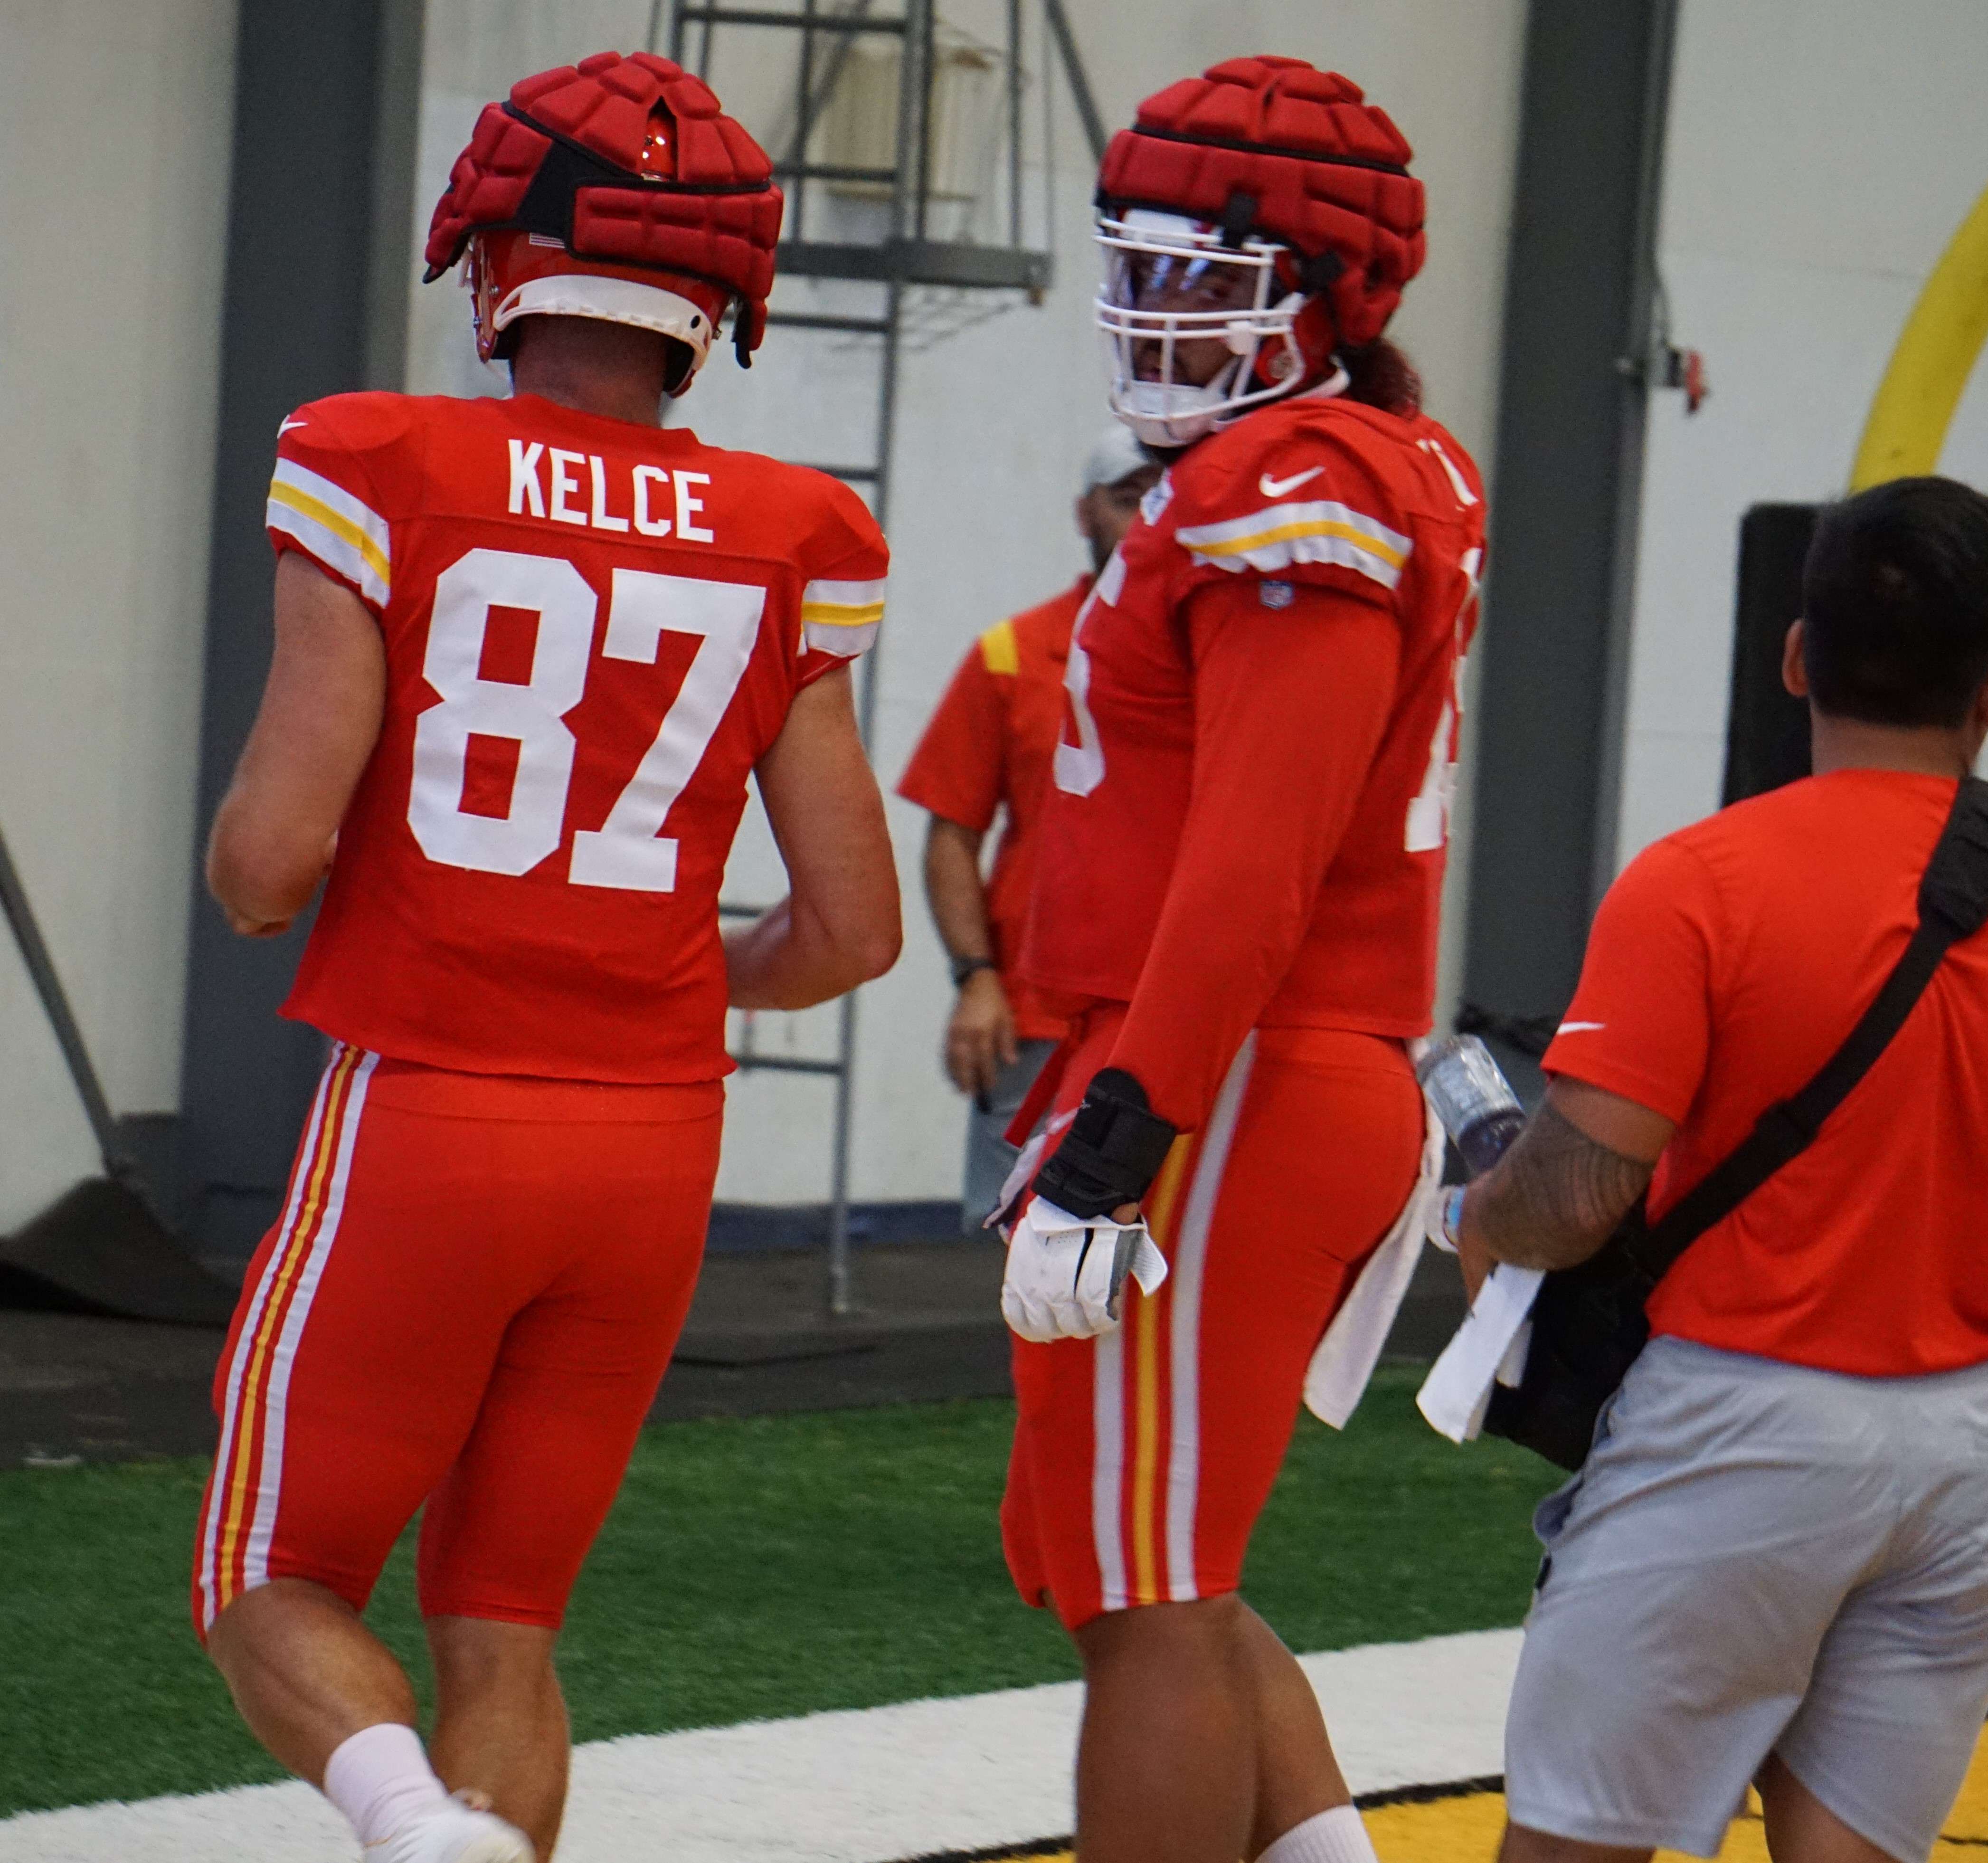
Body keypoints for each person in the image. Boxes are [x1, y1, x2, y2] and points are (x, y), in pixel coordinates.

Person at [192, 53, 900, 1863]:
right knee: (501, 1619)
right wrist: (637, 958)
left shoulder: (382, 459)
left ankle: (420, 1834)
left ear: (497, 257)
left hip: (430, 1112)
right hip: (654, 1141)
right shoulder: (791, 529)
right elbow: (848, 931)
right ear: (717, 303)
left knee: (268, 1581)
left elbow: (267, 869)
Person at [1453, 476, 1988, 1863]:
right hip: (1984, 1450)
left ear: (1794, 656)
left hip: (1743, 1422)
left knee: (1570, 1848)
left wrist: (1477, 1201)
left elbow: (1573, 1196)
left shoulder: (1701, 882)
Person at [994, 56, 1484, 1863]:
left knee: (1149, 1585)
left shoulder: (1304, 482)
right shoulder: (1322, 463)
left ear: (1331, 297)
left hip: (1232, 1073)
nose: (1153, 315)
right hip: (1223, 1067)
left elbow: (1253, 865)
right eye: (1139, 265)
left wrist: (1127, 1125)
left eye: (1207, 280)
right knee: (1099, 1559)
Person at [897, 426, 1159, 1229]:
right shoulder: (1011, 654)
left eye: (1163, 498)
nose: (1147, 518)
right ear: (1085, 514)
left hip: (1173, 1007)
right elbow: (952, 832)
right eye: (1126, 498)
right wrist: (975, 977)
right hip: (1040, 1014)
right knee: (1022, 1242)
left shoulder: (1225, 654)